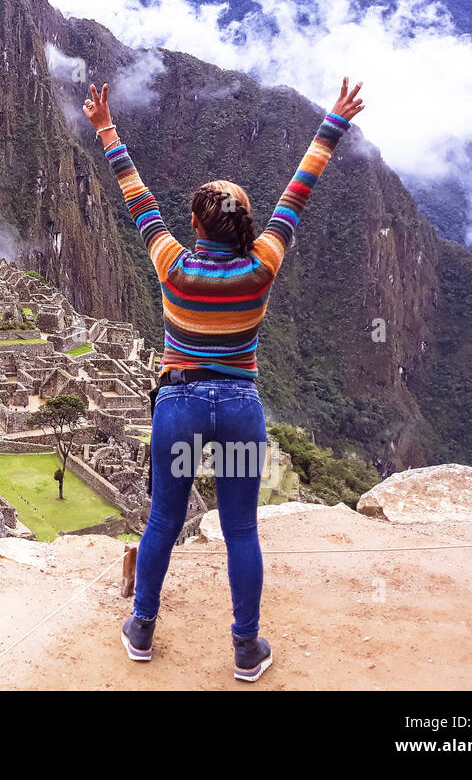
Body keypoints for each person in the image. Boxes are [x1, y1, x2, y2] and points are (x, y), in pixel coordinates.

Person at [83, 77, 364, 684]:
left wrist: (105, 127)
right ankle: (244, 648)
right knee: (240, 528)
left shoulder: (172, 265)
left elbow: (137, 197)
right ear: (246, 226)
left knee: (162, 519)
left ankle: (142, 628)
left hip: (180, 403)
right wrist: (332, 124)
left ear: (194, 223)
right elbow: (299, 191)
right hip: (239, 405)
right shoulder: (263, 264)